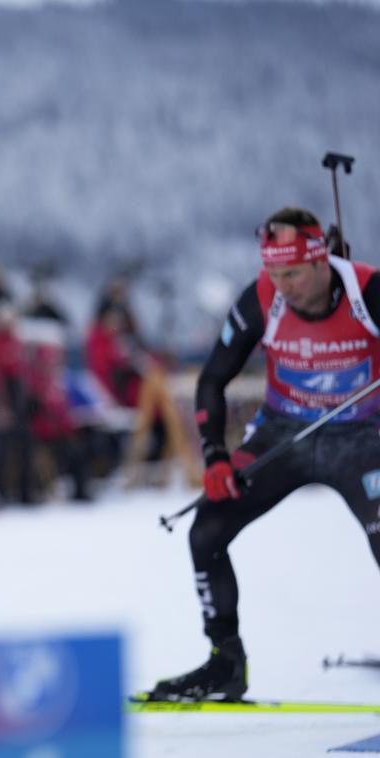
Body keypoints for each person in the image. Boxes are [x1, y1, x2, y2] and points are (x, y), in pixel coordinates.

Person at [146, 207, 380, 702]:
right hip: (284, 437)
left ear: (321, 262)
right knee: (206, 529)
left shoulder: (367, 292)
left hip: (361, 438)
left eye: (292, 272)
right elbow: (212, 379)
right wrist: (214, 458)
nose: (283, 285)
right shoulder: (262, 298)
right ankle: (224, 663)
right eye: (274, 272)